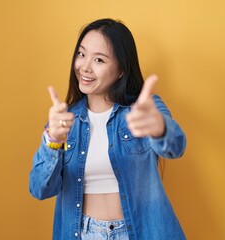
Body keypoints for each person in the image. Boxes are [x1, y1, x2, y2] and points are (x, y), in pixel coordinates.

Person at [29, 18, 187, 240]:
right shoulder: (64, 119)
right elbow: (39, 189)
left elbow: (176, 147)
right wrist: (52, 140)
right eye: (81, 54)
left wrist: (160, 128)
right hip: (83, 233)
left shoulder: (144, 108)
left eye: (99, 60)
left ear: (121, 70)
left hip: (140, 232)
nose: (85, 66)